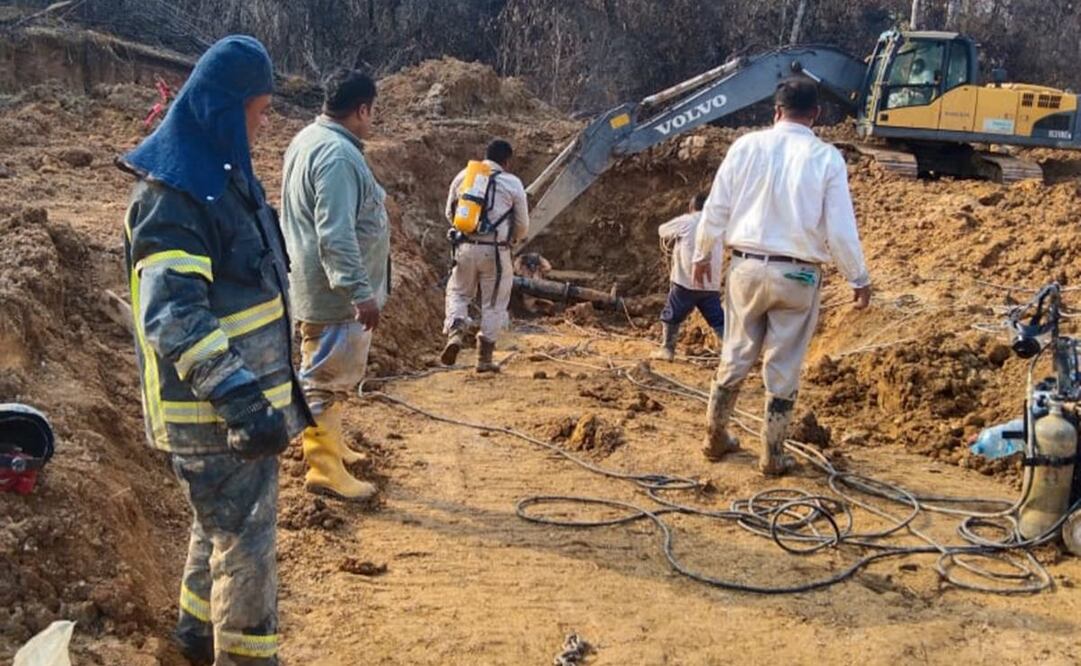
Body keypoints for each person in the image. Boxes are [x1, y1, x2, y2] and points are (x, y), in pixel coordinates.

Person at [120, 36, 308, 665]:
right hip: (215, 415)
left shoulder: (220, 177)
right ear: (227, 111)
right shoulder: (175, 198)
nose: (261, 127)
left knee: (218, 525)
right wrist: (241, 401)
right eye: (257, 113)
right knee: (246, 545)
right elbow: (174, 314)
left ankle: (194, 636)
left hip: (231, 410)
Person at [692, 76, 872, 476]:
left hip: (746, 266)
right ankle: (771, 455)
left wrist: (703, 253)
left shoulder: (745, 147)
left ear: (775, 111)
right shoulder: (826, 158)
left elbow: (717, 207)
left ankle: (714, 435)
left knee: (736, 353)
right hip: (798, 276)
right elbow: (840, 230)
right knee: (784, 364)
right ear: (817, 115)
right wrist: (858, 277)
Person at [280, 68, 390, 502]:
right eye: (371, 112)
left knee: (331, 373)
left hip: (317, 284)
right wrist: (359, 291)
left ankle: (334, 446)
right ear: (362, 109)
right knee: (323, 377)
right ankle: (324, 467)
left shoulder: (309, 138)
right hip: (333, 294)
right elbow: (336, 233)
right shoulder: (338, 157)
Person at [441, 139, 530, 372]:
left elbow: (451, 212)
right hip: (495, 252)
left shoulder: (464, 176)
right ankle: (484, 359)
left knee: (458, 293)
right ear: (507, 161)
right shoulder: (512, 183)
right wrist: (512, 239)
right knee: (493, 303)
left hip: (464, 248)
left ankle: (456, 330)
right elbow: (522, 225)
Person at [651, 192, 725, 361]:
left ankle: (667, 349)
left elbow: (662, 230)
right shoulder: (719, 225)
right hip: (710, 284)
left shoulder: (687, 220)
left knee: (672, 315)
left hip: (686, 281)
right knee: (718, 321)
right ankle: (732, 356)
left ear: (692, 208)